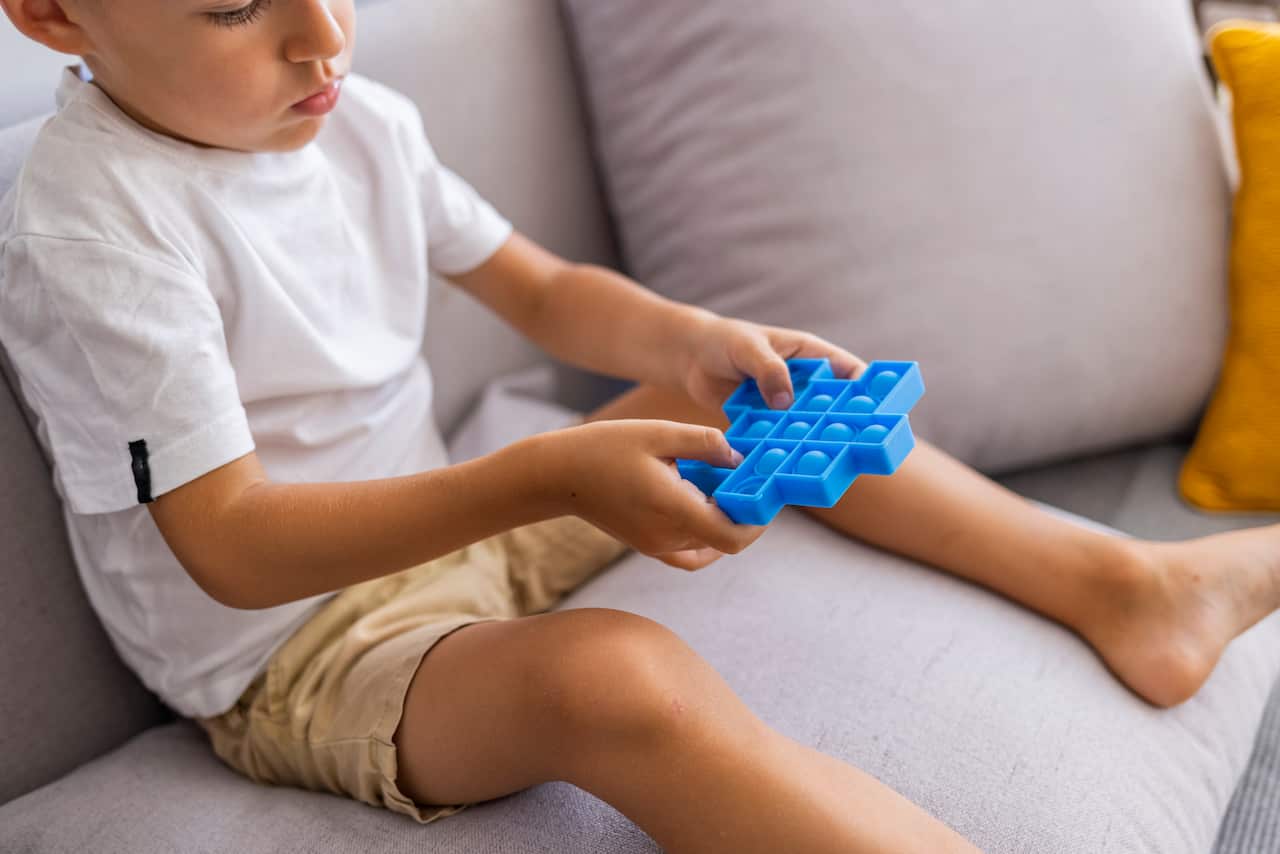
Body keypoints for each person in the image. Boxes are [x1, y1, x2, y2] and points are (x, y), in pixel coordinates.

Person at [0, 1, 1276, 852]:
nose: (322, 37)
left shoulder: (350, 120)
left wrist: (689, 340)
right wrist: (545, 471)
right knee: (606, 676)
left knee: (757, 391)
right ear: (53, 13)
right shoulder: (93, 224)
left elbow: (545, 290)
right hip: (305, 646)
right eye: (233, 2)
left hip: (461, 526)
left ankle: (1124, 583)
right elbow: (232, 545)